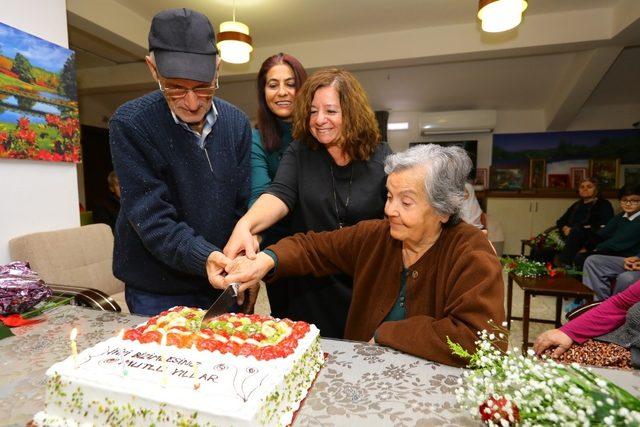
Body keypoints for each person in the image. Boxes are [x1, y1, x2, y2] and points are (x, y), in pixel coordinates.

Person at [220, 145, 505, 367]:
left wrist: (387, 335)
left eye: (405, 202)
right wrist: (267, 259)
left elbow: (479, 340)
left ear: (443, 210)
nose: (391, 210)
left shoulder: (471, 253)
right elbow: (314, 248)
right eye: (389, 197)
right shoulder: (376, 235)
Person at [224, 68, 392, 338]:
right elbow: (279, 194)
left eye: (330, 111)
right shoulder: (301, 151)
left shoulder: (381, 155)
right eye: (313, 111)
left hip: (362, 285)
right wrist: (246, 224)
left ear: (352, 112)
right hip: (310, 285)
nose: (320, 120)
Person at [108, 8, 251, 315]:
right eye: (175, 87)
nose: (192, 102)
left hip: (221, 279)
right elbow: (152, 218)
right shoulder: (130, 124)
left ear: (217, 68)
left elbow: (241, 207)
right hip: (157, 289)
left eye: (203, 86)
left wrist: (239, 256)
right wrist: (204, 257)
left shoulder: (238, 123)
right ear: (152, 68)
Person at [250, 54, 307, 317]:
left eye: (290, 83)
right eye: (273, 85)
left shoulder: (319, 129)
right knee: (286, 322)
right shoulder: (257, 137)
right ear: (263, 92)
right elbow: (259, 192)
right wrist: (251, 234)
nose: (282, 92)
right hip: (277, 247)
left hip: (320, 241)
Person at [534, 280, 640, 369]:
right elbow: (621, 304)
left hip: (633, 354)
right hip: (624, 337)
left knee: (558, 360)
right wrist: (568, 331)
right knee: (549, 350)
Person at [573, 184, 640, 269]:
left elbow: (620, 241)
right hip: (614, 249)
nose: (628, 204)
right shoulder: (621, 215)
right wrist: (587, 246)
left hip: (628, 255)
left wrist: (598, 248)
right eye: (624, 200)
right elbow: (602, 233)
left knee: (581, 258)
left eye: (634, 201)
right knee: (578, 231)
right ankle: (565, 265)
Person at [553, 177, 613, 266]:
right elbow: (561, 221)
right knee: (542, 242)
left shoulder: (604, 204)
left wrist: (577, 229)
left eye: (589, 187)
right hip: (569, 236)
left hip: (591, 237)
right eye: (582, 187)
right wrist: (565, 227)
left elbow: (605, 224)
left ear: (596, 190)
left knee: (576, 230)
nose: (585, 189)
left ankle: (563, 263)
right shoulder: (576, 205)